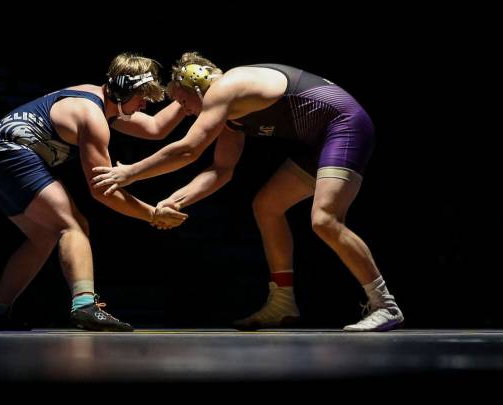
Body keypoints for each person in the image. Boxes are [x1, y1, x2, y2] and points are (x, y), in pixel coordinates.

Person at [92, 53, 404, 331]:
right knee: (267, 206)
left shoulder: (226, 87)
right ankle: (282, 302)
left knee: (324, 219)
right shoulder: (232, 116)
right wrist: (175, 200)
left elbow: (189, 150)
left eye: (183, 101)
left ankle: (385, 304)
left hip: (345, 126)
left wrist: (130, 172)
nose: (184, 110)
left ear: (197, 87)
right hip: (322, 141)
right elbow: (221, 170)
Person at [0, 53, 189, 331]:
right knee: (72, 225)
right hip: (9, 153)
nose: (144, 104)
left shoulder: (96, 99)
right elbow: (102, 191)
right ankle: (85, 306)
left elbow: (155, 128)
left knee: (44, 236)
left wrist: (185, 101)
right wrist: (152, 214)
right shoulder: (92, 116)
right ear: (123, 91)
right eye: (141, 97)